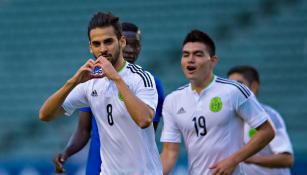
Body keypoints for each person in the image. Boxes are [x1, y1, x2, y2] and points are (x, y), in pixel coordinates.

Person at [39, 12, 162, 175]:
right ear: (90, 47)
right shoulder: (91, 82)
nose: (103, 49)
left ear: (121, 41)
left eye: (108, 41)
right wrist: (73, 82)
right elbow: (45, 115)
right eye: (96, 44)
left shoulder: (141, 78)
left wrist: (116, 78)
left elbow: (144, 120)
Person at [159, 29, 275, 175]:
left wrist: (233, 160)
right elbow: (169, 153)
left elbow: (267, 131)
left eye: (198, 54)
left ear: (213, 61)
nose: (190, 59)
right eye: (186, 55)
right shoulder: (172, 100)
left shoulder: (234, 91)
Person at [227, 65, 294, 175]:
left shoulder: (269, 116)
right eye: (230, 86)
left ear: (254, 87)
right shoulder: (227, 119)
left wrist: (246, 157)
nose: (233, 90)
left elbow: (287, 159)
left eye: (239, 84)